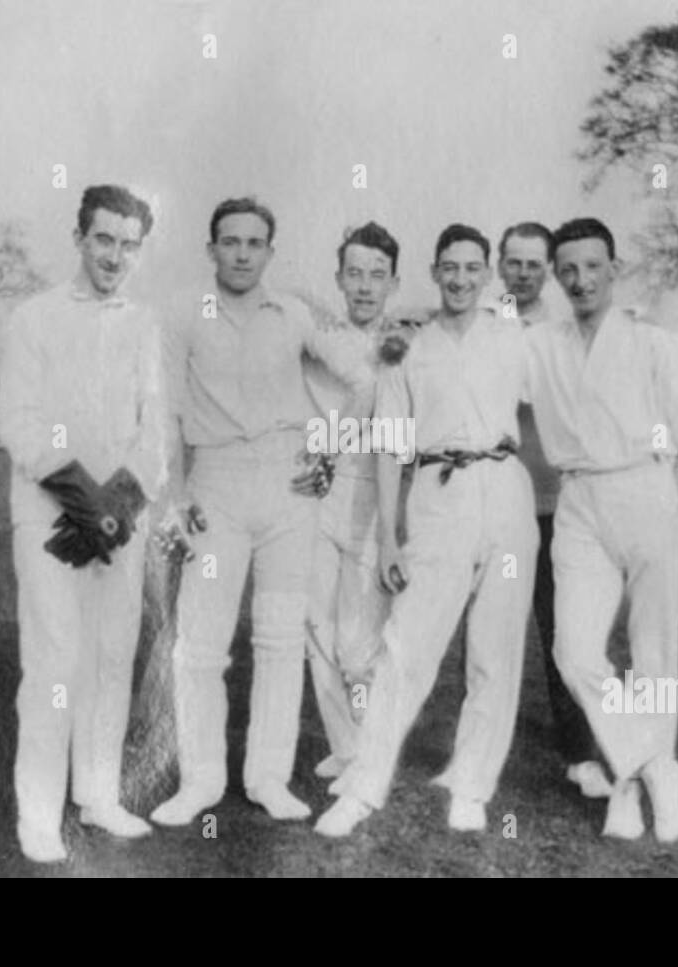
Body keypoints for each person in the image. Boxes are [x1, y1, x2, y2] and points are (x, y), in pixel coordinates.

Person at [149, 197, 372, 826]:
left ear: (270, 252)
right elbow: (165, 408)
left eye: (254, 243)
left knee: (278, 639)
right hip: (214, 487)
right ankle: (199, 783)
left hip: (288, 490)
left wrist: (330, 447)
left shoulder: (294, 313)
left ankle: (269, 779)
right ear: (211, 249)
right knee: (200, 645)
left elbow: (362, 377)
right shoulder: (183, 316)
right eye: (230, 241)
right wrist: (174, 495)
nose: (242, 253)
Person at [315, 224, 538, 836]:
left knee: (495, 652)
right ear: (435, 273)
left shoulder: (515, 337)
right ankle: (362, 787)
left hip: (506, 490)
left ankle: (471, 787)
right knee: (406, 647)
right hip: (440, 493)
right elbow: (390, 449)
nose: (461, 279)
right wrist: (388, 534)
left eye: (473, 268)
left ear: (488, 273)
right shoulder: (406, 345)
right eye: (450, 268)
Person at [0, 184, 171, 863]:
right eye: (105, 239)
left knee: (109, 657)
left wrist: (118, 508)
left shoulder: (144, 323)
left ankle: (99, 796)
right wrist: (84, 501)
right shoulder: (34, 318)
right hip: (50, 519)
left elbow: (155, 431)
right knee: (54, 663)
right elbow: (20, 421)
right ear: (80, 237)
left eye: (130, 245)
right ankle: (38, 815)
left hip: (117, 523)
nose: (116, 256)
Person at [525, 218, 678, 844]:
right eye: (568, 269)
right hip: (578, 501)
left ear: (614, 268)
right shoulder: (541, 345)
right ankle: (653, 766)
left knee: (654, 653)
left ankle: (627, 792)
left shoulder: (652, 342)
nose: (580, 280)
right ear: (556, 276)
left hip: (649, 490)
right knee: (573, 651)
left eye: (592, 266)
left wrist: (669, 502)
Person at [498, 221, 610, 799]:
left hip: (556, 502)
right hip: (494, 500)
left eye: (534, 264)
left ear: (548, 270)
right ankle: (480, 746)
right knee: (489, 625)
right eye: (512, 262)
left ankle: (580, 753)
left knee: (564, 627)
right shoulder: (480, 321)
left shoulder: (567, 329)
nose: (523, 273)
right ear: (499, 266)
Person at [303, 222, 408, 780]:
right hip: (320, 493)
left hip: (377, 496)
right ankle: (347, 748)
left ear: (394, 282)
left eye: (377, 275)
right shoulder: (317, 337)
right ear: (339, 278)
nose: (365, 286)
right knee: (314, 626)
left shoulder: (407, 347)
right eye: (355, 274)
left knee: (359, 640)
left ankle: (368, 749)